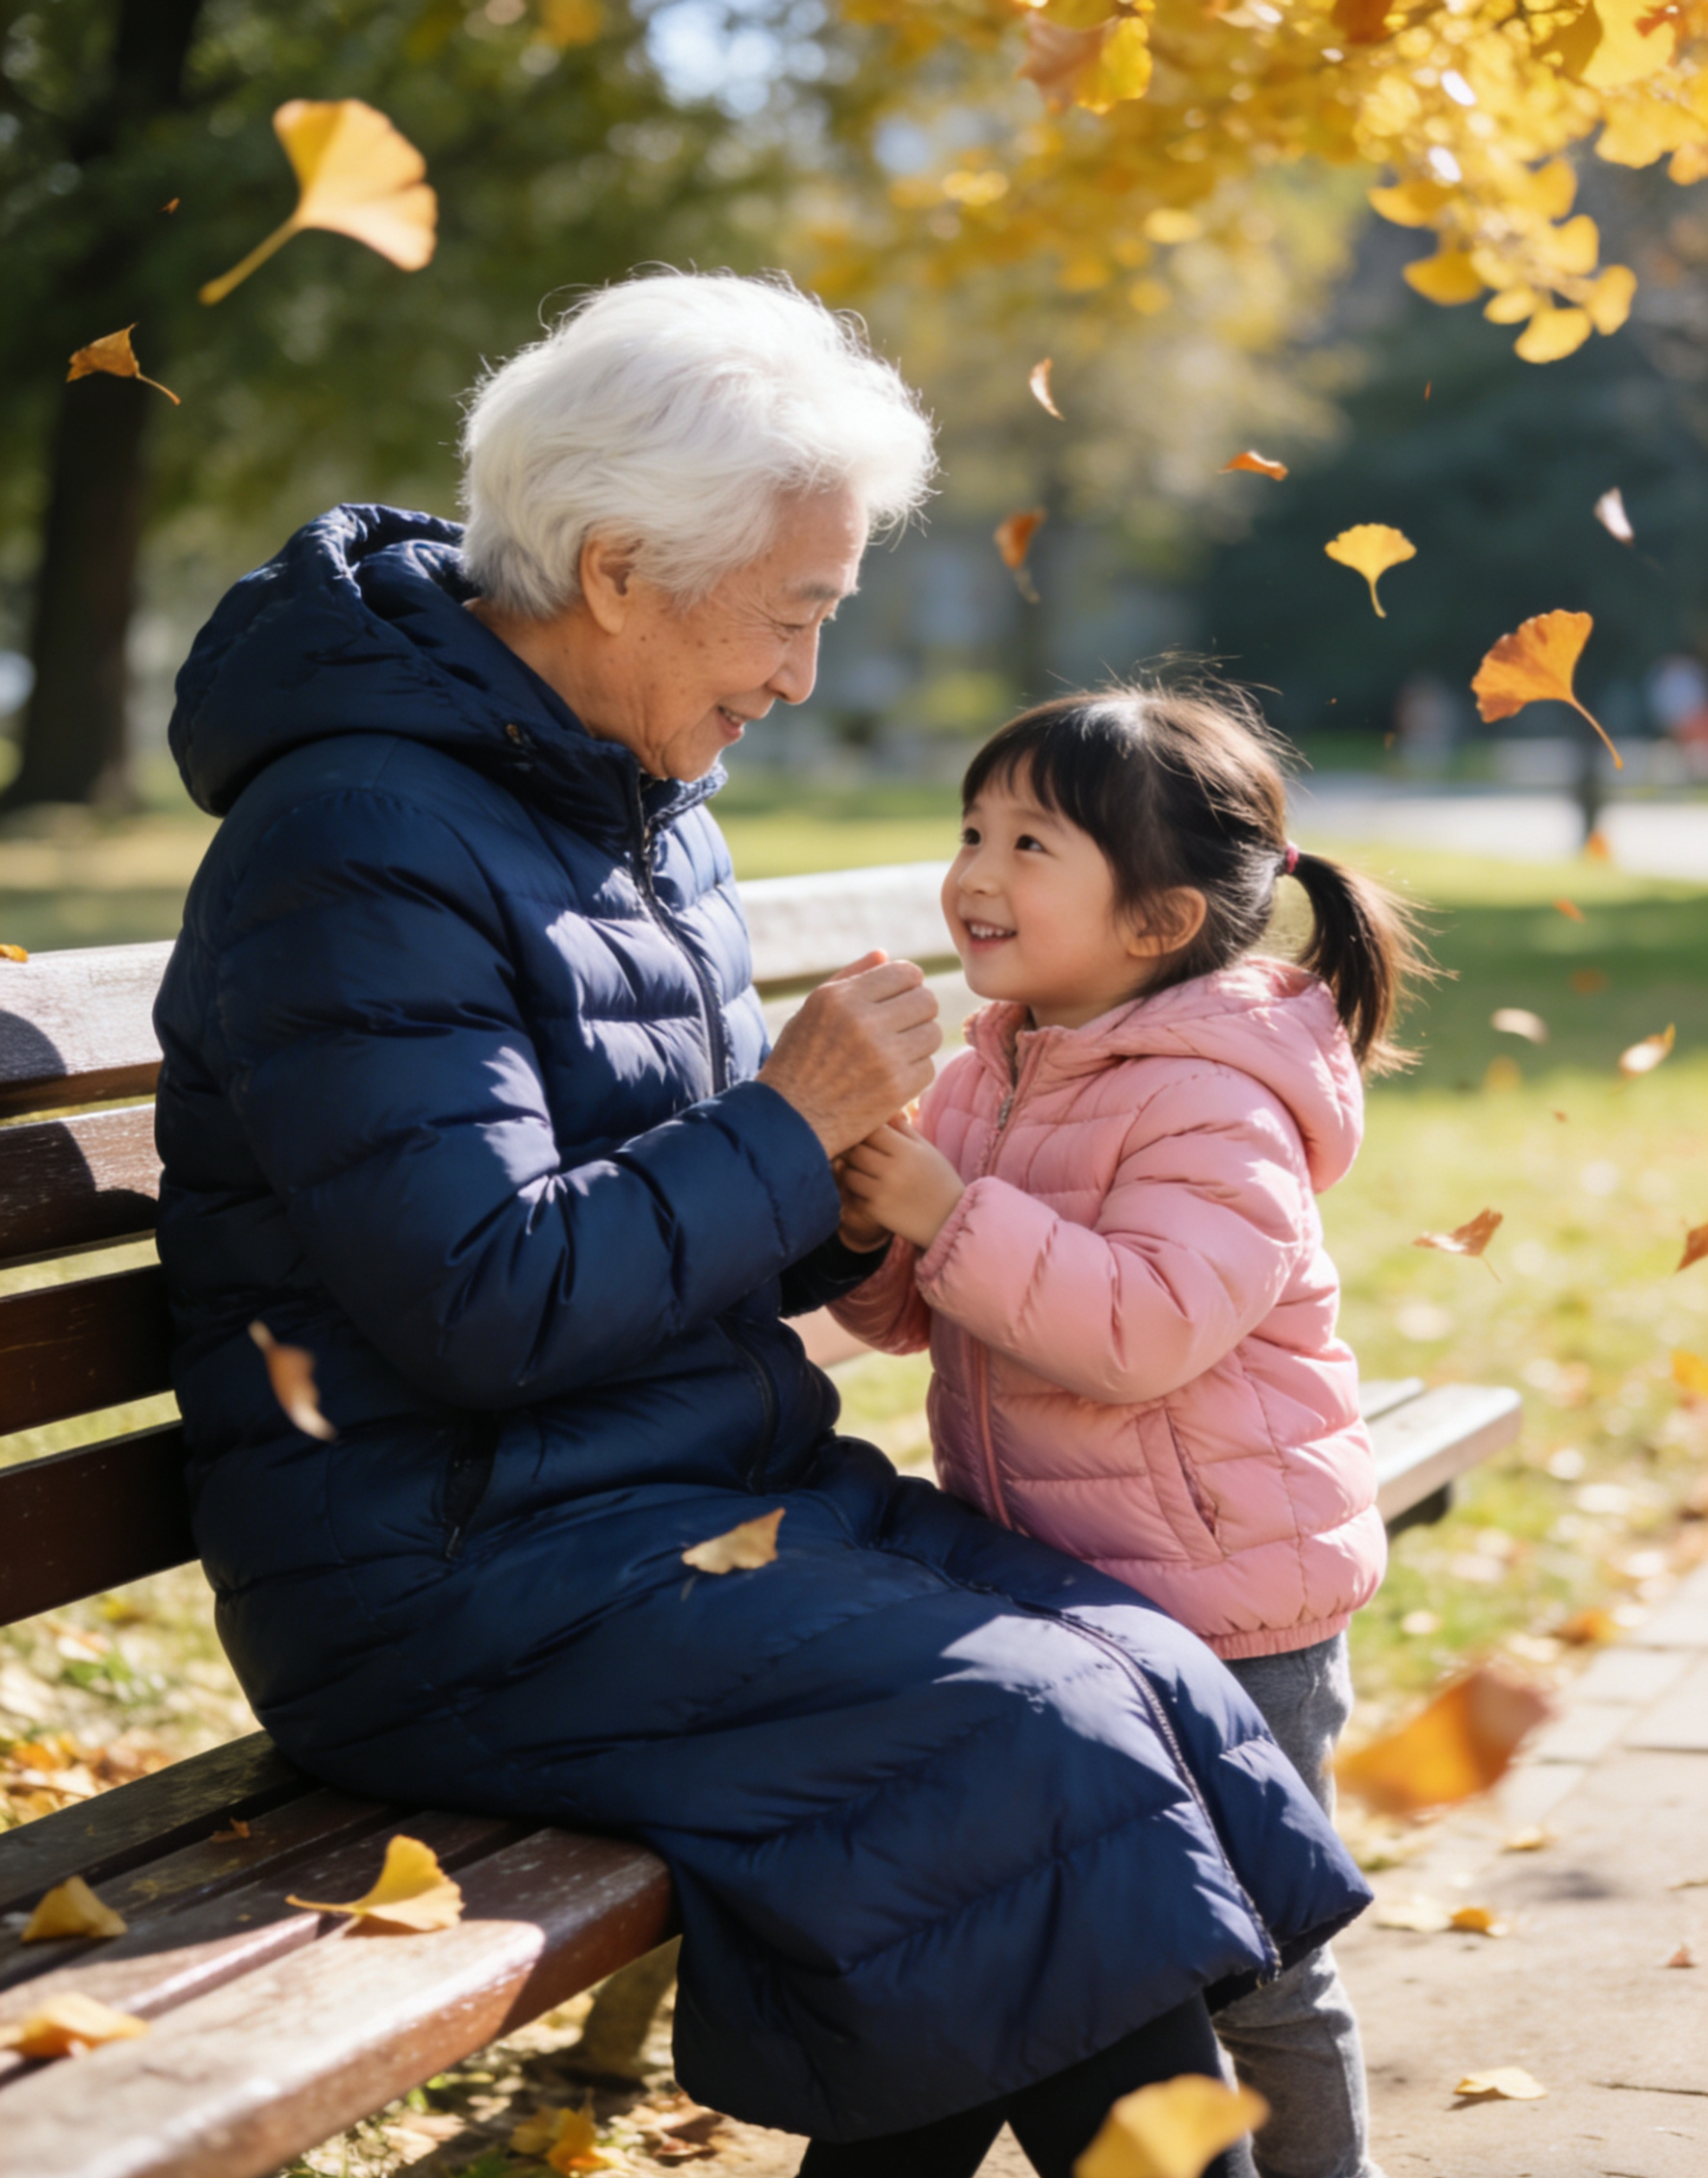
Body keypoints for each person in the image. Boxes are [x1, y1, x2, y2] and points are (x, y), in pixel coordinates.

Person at [153, 272, 1369, 2178]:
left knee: (1131, 1671)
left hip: (675, 1503)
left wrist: (849, 1188)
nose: (799, 673)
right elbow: (479, 1298)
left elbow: (690, 1212)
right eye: (792, 609)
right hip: (445, 1570)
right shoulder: (354, 841)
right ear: (618, 569)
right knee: (1022, 1739)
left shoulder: (638, 800)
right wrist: (789, 1129)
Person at [832, 685, 1430, 2178]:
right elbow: (908, 1318)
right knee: (1115, 1944)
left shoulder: (1217, 1101)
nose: (975, 871)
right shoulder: (990, 1069)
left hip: (1226, 1602)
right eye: (971, 829)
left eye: (1030, 843)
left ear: (1158, 920)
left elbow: (1145, 1330)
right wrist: (866, 1224)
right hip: (1062, 1599)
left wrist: (949, 1213)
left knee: (1258, 1962)